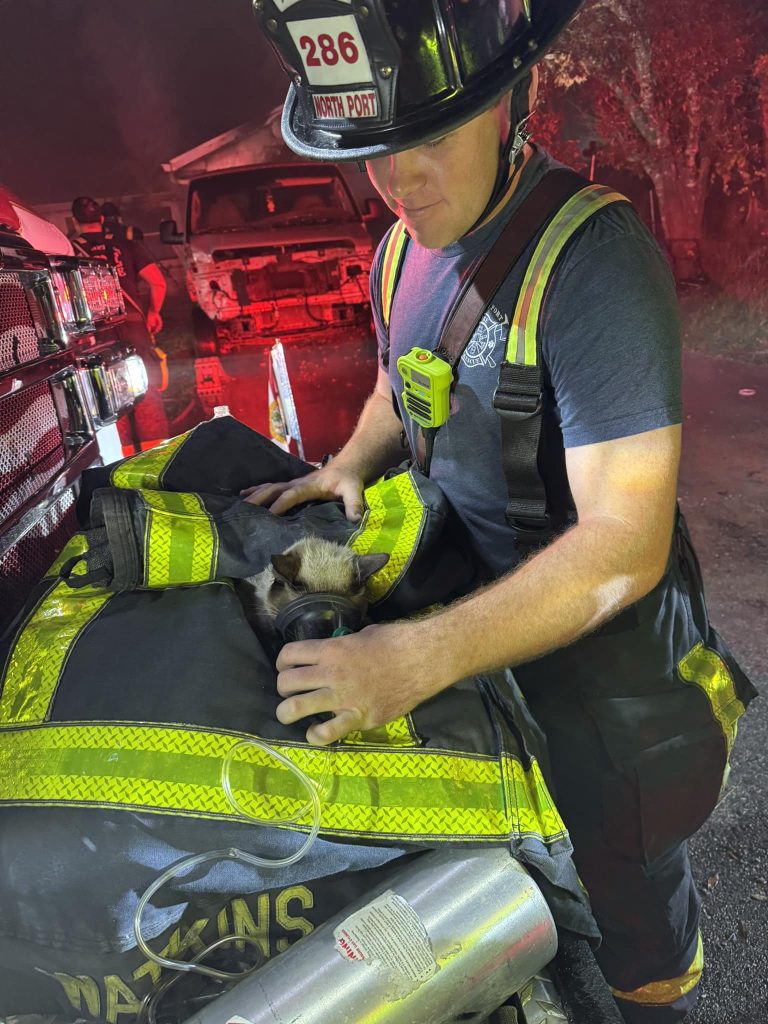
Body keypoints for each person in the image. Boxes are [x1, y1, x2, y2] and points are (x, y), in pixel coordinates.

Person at [243, 3, 756, 1021]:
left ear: (511, 104)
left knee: (632, 944)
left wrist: (412, 660)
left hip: (609, 689)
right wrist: (347, 463)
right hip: (481, 645)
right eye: (377, 152)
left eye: (428, 138)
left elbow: (625, 542)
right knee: (513, 921)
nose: (400, 182)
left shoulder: (594, 262)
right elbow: (404, 382)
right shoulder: (399, 251)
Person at [71, 195, 169, 446]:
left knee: (108, 394)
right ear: (102, 219)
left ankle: (121, 462)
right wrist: (153, 312)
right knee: (145, 390)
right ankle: (158, 457)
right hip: (134, 326)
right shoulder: (125, 245)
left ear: (75, 221)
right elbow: (157, 281)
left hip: (96, 333)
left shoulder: (69, 251)